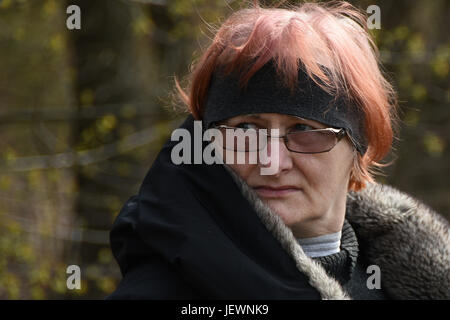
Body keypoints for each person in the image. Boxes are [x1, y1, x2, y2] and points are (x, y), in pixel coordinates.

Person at [107, 1, 449, 299]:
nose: (271, 162)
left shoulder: (412, 284)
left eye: (303, 130)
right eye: (246, 130)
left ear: (358, 149)